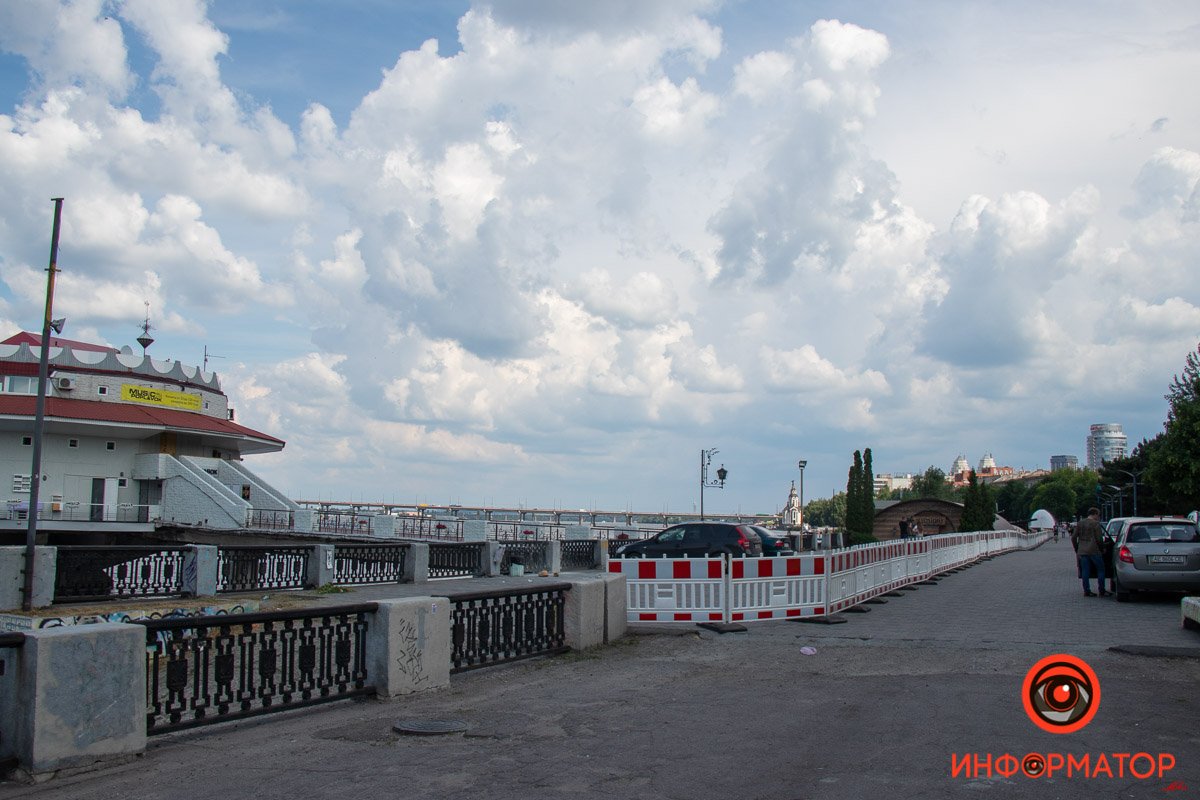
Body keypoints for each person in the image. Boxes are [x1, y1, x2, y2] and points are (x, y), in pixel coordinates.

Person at [1072, 508, 1108, 597]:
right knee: (1101, 570)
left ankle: (1086, 591)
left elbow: (1073, 537)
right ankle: (1102, 590)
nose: (1098, 517)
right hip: (1094, 550)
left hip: (1083, 551)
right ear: (1095, 514)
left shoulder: (1080, 523)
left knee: (1085, 571)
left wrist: (1077, 548)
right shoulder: (1095, 524)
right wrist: (1102, 548)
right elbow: (1099, 539)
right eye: (1098, 515)